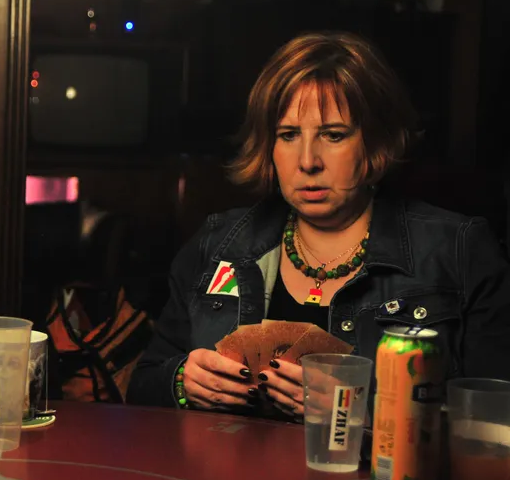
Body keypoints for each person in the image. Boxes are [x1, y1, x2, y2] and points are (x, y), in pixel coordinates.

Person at [127, 32, 510, 417]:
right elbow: (142, 385)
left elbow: (494, 418)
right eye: (289, 135)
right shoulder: (216, 243)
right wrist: (182, 382)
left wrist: (355, 411)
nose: (308, 161)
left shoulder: (457, 249)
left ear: (376, 144)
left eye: (333, 135)